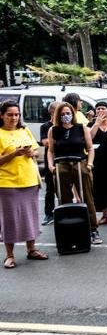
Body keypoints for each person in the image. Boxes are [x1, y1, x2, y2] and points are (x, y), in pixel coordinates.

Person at [0, 101, 47, 269]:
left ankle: (31, 249)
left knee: (31, 216)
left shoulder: (24, 130)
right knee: (10, 219)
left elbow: (36, 151)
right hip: (7, 183)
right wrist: (14, 153)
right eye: (10, 115)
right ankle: (10, 255)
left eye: (17, 114)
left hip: (29, 180)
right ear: (2, 115)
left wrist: (30, 152)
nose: (14, 118)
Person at [47, 101, 100, 244]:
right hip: (61, 165)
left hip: (80, 163)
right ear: (58, 115)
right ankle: (69, 229)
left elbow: (90, 148)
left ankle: (93, 229)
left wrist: (89, 164)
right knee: (64, 198)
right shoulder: (54, 130)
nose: (66, 116)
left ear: (73, 114)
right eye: (63, 114)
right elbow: (51, 151)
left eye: (68, 113)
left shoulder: (81, 128)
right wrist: (51, 166)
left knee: (86, 197)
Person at [38, 102, 58, 225]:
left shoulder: (66, 125)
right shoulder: (46, 126)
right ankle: (48, 213)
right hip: (50, 159)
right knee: (50, 188)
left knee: (66, 188)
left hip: (64, 159)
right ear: (52, 112)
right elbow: (45, 142)